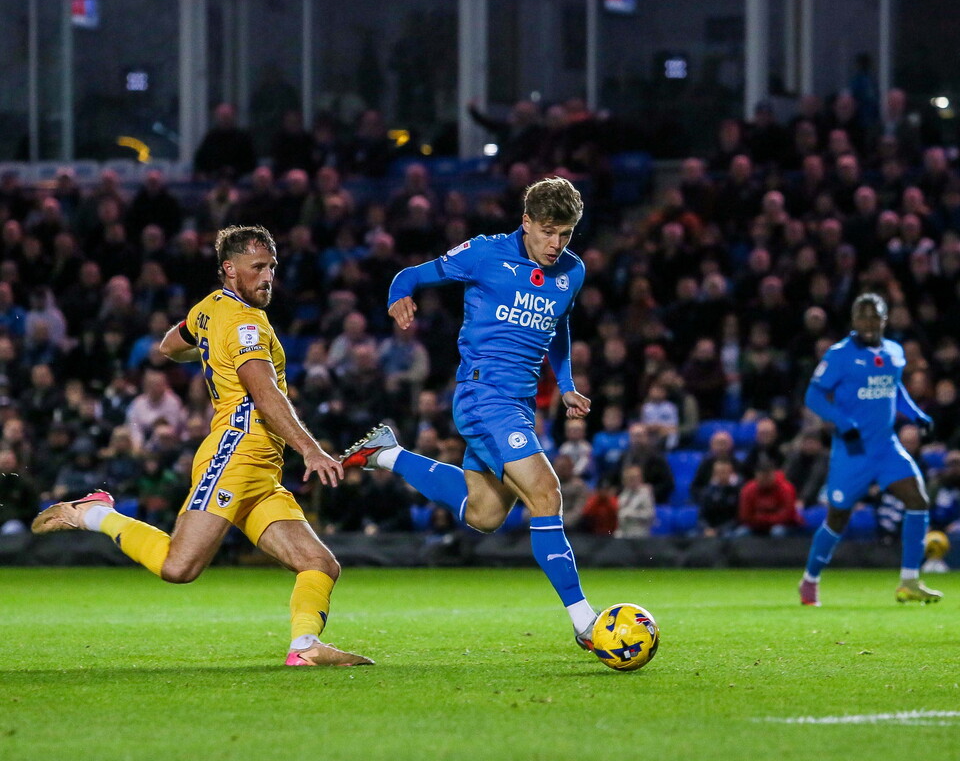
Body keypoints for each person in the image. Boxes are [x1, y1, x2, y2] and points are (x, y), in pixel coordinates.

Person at [32, 225, 372, 667]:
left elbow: (170, 346)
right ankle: (94, 513)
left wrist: (211, 351)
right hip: (236, 452)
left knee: (319, 564)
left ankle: (305, 647)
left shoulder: (210, 307)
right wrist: (310, 448)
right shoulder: (248, 323)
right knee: (179, 568)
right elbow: (265, 393)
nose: (268, 276)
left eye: (271, 266)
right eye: (257, 267)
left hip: (262, 469)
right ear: (229, 269)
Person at [340, 177, 599, 650]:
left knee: (485, 515)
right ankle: (586, 622)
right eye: (547, 232)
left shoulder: (572, 272)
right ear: (525, 223)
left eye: (566, 234)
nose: (556, 244)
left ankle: (388, 455)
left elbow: (559, 325)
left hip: (520, 402)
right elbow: (411, 274)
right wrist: (398, 297)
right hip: (483, 397)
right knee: (546, 493)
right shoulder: (485, 253)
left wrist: (565, 385)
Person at [799, 293, 942, 605]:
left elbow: (894, 387)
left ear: (884, 319)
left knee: (918, 499)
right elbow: (814, 395)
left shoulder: (894, 350)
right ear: (853, 320)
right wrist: (843, 422)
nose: (868, 322)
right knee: (838, 517)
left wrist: (917, 415)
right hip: (852, 453)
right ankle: (810, 580)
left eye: (874, 315)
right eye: (862, 316)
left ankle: (909, 581)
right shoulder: (839, 355)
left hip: (886, 447)